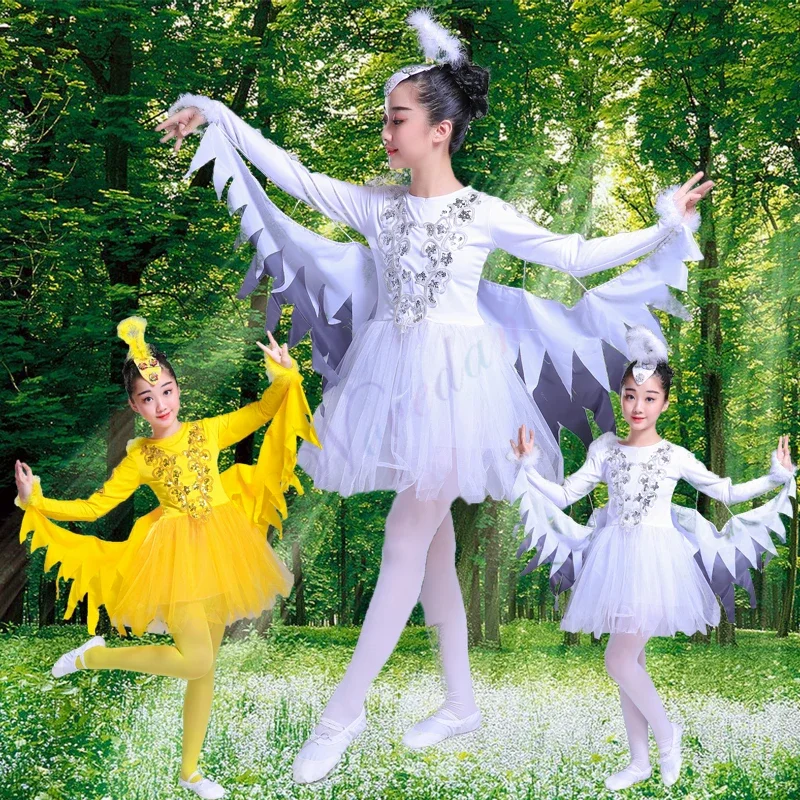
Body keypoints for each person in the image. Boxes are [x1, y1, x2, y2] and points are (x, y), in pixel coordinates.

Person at [156, 10, 712, 783]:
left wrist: (661, 229)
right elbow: (289, 171)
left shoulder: (481, 213)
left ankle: (339, 716)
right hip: (392, 388)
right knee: (436, 554)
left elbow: (578, 256)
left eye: (398, 120)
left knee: (402, 544)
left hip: (464, 397)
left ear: (440, 130)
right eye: (385, 120)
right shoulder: (375, 206)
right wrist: (218, 114)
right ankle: (460, 704)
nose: (386, 133)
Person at [15, 317, 317, 799]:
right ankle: (93, 657)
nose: (161, 404)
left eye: (167, 391)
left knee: (205, 667)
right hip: (173, 562)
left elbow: (265, 410)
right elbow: (96, 506)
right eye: (147, 398)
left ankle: (190, 772)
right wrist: (38, 501)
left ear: (178, 389)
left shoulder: (208, 430)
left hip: (224, 554)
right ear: (134, 405)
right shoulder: (140, 457)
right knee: (195, 661)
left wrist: (285, 372)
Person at [510, 325, 796, 790]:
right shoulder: (605, 450)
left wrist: (772, 477)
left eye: (648, 398)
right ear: (620, 398)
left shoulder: (674, 455)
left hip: (658, 565)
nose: (637, 407)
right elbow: (564, 495)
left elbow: (724, 491)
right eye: (629, 396)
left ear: (663, 403)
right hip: (614, 561)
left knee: (618, 661)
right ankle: (640, 762)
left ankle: (668, 737)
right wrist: (527, 466)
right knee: (630, 663)